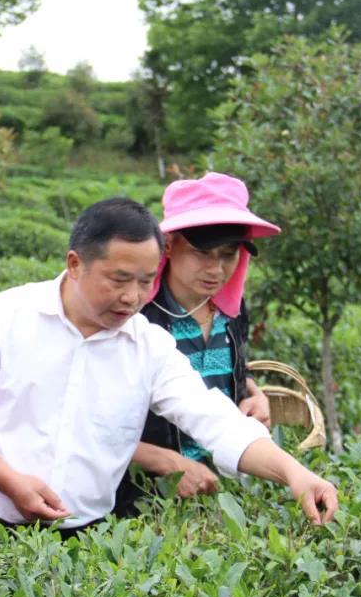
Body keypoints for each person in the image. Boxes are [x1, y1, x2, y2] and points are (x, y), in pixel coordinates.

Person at [0, 197, 338, 537]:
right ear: (74, 264)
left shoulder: (149, 346)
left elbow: (215, 420)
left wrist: (294, 474)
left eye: (145, 280)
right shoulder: (5, 316)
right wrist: (9, 481)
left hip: (83, 536)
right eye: (118, 279)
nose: (133, 296)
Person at [113, 172, 280, 516]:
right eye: (203, 253)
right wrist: (164, 461)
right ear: (169, 245)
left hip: (217, 492)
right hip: (141, 500)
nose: (216, 269)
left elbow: (231, 372)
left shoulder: (231, 313)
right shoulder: (136, 319)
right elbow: (90, 419)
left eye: (229, 254)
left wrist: (253, 394)